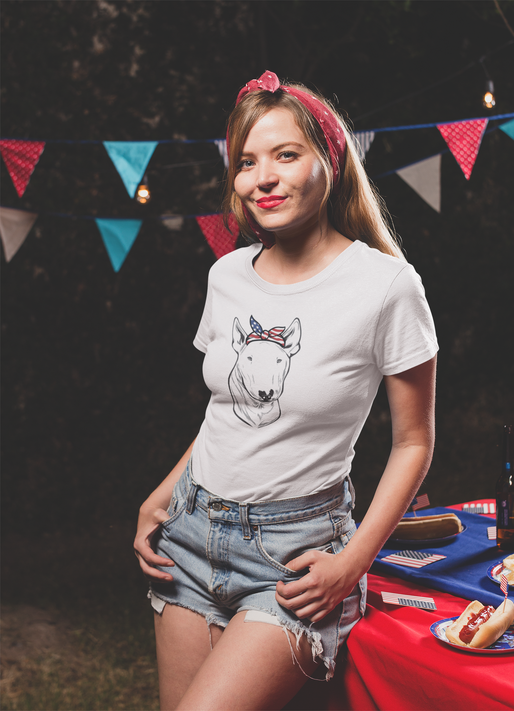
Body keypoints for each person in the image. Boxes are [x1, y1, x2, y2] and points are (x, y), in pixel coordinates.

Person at [134, 70, 438, 711]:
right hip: (189, 534)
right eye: (246, 161)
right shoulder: (227, 275)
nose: (262, 178)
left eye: (285, 154)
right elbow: (227, 413)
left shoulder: (386, 287)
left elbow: (414, 442)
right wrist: (162, 495)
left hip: (294, 558)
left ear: (329, 160)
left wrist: (352, 562)